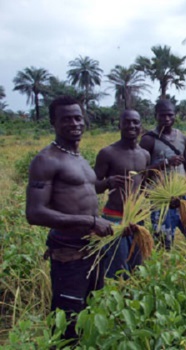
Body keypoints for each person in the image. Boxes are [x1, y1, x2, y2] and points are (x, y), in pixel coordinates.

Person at [26, 96, 114, 342]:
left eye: (78, 117)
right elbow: (34, 213)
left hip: (93, 251)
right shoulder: (46, 160)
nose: (75, 123)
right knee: (67, 322)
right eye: (67, 119)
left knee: (91, 312)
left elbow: (85, 191)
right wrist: (90, 222)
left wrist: (107, 185)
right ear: (53, 122)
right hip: (69, 255)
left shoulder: (80, 159)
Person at [140, 99, 186, 249]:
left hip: (185, 196)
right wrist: (165, 162)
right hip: (161, 199)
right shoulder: (148, 140)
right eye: (162, 115)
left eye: (170, 115)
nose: (167, 119)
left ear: (175, 116)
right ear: (156, 116)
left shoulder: (182, 137)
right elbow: (142, 171)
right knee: (163, 245)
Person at [94, 110, 150, 279]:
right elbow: (93, 186)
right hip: (114, 219)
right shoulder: (108, 153)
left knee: (136, 268)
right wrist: (108, 182)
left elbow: (144, 186)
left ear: (141, 126)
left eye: (135, 122)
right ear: (119, 125)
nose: (131, 126)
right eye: (127, 122)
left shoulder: (145, 154)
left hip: (137, 220)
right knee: (117, 272)